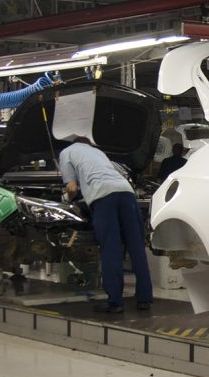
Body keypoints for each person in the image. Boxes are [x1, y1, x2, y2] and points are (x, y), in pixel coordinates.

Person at [58, 134, 152, 314]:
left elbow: (72, 188)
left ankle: (115, 302)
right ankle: (144, 299)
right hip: (126, 193)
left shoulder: (67, 152)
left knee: (111, 248)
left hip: (103, 196)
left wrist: (66, 199)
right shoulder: (98, 152)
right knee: (137, 248)